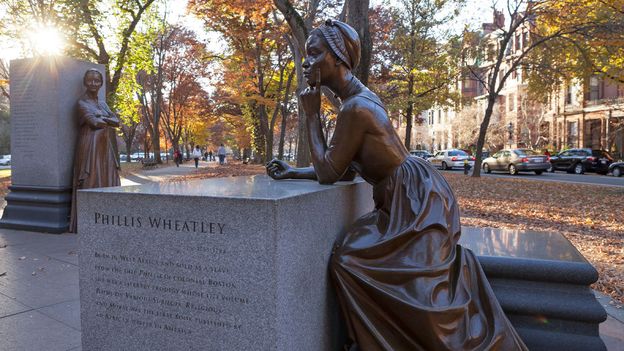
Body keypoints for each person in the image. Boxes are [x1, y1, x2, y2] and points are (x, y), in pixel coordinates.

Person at [266, 20, 526, 351]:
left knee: (355, 264)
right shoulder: (355, 101)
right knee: (358, 262)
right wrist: (294, 173)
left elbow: (331, 172)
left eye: (314, 53)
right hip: (406, 196)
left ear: (338, 57)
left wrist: (311, 116)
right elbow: (342, 169)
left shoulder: (356, 108)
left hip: (416, 200)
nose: (306, 62)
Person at [69, 68, 121, 233]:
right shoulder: (81, 103)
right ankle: (88, 220)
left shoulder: (103, 103)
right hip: (89, 144)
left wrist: (101, 116)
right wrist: (104, 118)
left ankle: (107, 217)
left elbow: (117, 122)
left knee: (107, 177)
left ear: (101, 83)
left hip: (104, 145)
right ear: (85, 82)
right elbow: (94, 123)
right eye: (90, 80)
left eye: (97, 81)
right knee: (90, 177)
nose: (93, 83)